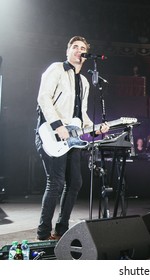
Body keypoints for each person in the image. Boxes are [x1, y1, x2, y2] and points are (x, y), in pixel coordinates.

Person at [35, 36, 110, 241]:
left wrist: (94, 129)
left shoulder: (84, 81)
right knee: (56, 182)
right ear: (68, 50)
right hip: (51, 133)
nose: (79, 50)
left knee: (75, 182)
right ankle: (43, 232)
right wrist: (58, 126)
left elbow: (81, 116)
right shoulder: (56, 68)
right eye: (75, 47)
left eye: (83, 48)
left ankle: (61, 229)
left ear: (86, 56)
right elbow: (43, 98)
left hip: (72, 137)